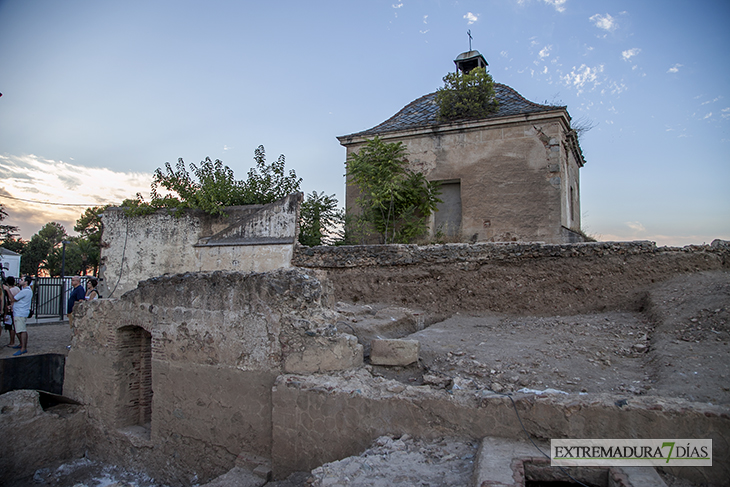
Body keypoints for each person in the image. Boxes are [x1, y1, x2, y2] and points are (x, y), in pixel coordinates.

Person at [11, 276, 32, 356]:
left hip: (20, 313)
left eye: (22, 280)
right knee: (18, 329)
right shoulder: (26, 291)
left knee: (21, 330)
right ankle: (21, 345)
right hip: (19, 312)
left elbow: (13, 299)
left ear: (26, 282)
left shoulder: (25, 291)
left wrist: (7, 290)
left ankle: (23, 347)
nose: (20, 281)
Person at [2, 276, 20, 347]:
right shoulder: (17, 289)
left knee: (10, 327)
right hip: (15, 309)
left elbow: (8, 301)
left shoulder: (9, 290)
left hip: (10, 309)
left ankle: (12, 342)